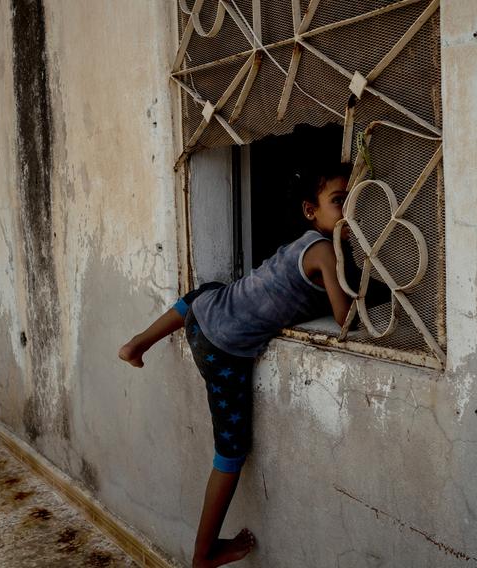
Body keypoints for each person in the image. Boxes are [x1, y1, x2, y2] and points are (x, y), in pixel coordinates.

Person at [118, 162, 353, 568]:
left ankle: (139, 342)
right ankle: (203, 553)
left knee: (209, 289)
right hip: (223, 349)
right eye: (338, 201)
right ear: (310, 211)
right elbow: (343, 316)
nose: (350, 211)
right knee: (230, 451)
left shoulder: (301, 244)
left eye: (354, 200)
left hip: (202, 317)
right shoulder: (326, 252)